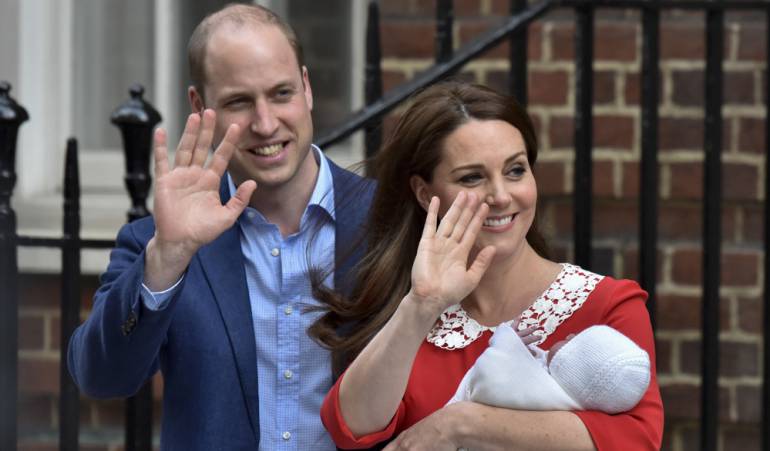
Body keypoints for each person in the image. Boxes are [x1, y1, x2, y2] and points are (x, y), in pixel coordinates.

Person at [67, 4, 373, 450]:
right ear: (199, 105)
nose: (265, 124)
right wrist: (167, 260)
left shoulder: (388, 220)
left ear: (306, 87)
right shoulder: (160, 245)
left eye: (281, 93)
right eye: (239, 102)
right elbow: (100, 376)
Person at [312, 81, 663, 450]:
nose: (500, 196)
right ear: (424, 193)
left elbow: (639, 441)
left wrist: (463, 424)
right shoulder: (412, 308)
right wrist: (421, 304)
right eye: (472, 177)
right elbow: (352, 427)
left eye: (515, 170)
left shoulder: (607, 304)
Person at [447, 324, 651, 414]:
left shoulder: (540, 397)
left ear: (570, 370)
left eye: (576, 342)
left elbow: (491, 375)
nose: (571, 335)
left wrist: (506, 341)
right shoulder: (569, 398)